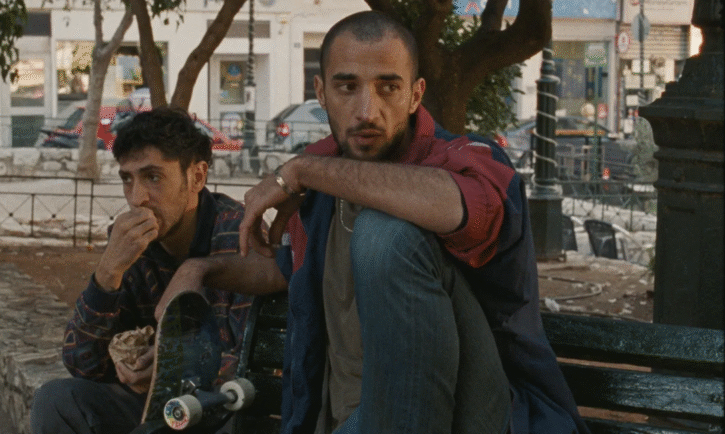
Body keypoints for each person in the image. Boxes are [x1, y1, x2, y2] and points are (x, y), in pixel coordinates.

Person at [232, 11, 591, 434]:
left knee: (386, 235)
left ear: (416, 95)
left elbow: (462, 210)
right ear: (321, 92)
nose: (367, 110)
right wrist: (195, 270)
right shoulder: (319, 175)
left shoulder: (468, 158)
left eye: (389, 87)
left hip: (481, 417)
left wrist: (302, 172)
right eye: (347, 87)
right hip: (349, 416)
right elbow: (287, 271)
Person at [29, 107, 270, 434]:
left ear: (197, 177)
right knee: (54, 401)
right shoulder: (129, 246)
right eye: (127, 179)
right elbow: (83, 366)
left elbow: (255, 368)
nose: (137, 198)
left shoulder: (238, 233)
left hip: (220, 411)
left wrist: (173, 368)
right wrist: (107, 274)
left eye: (153, 177)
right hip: (151, 408)